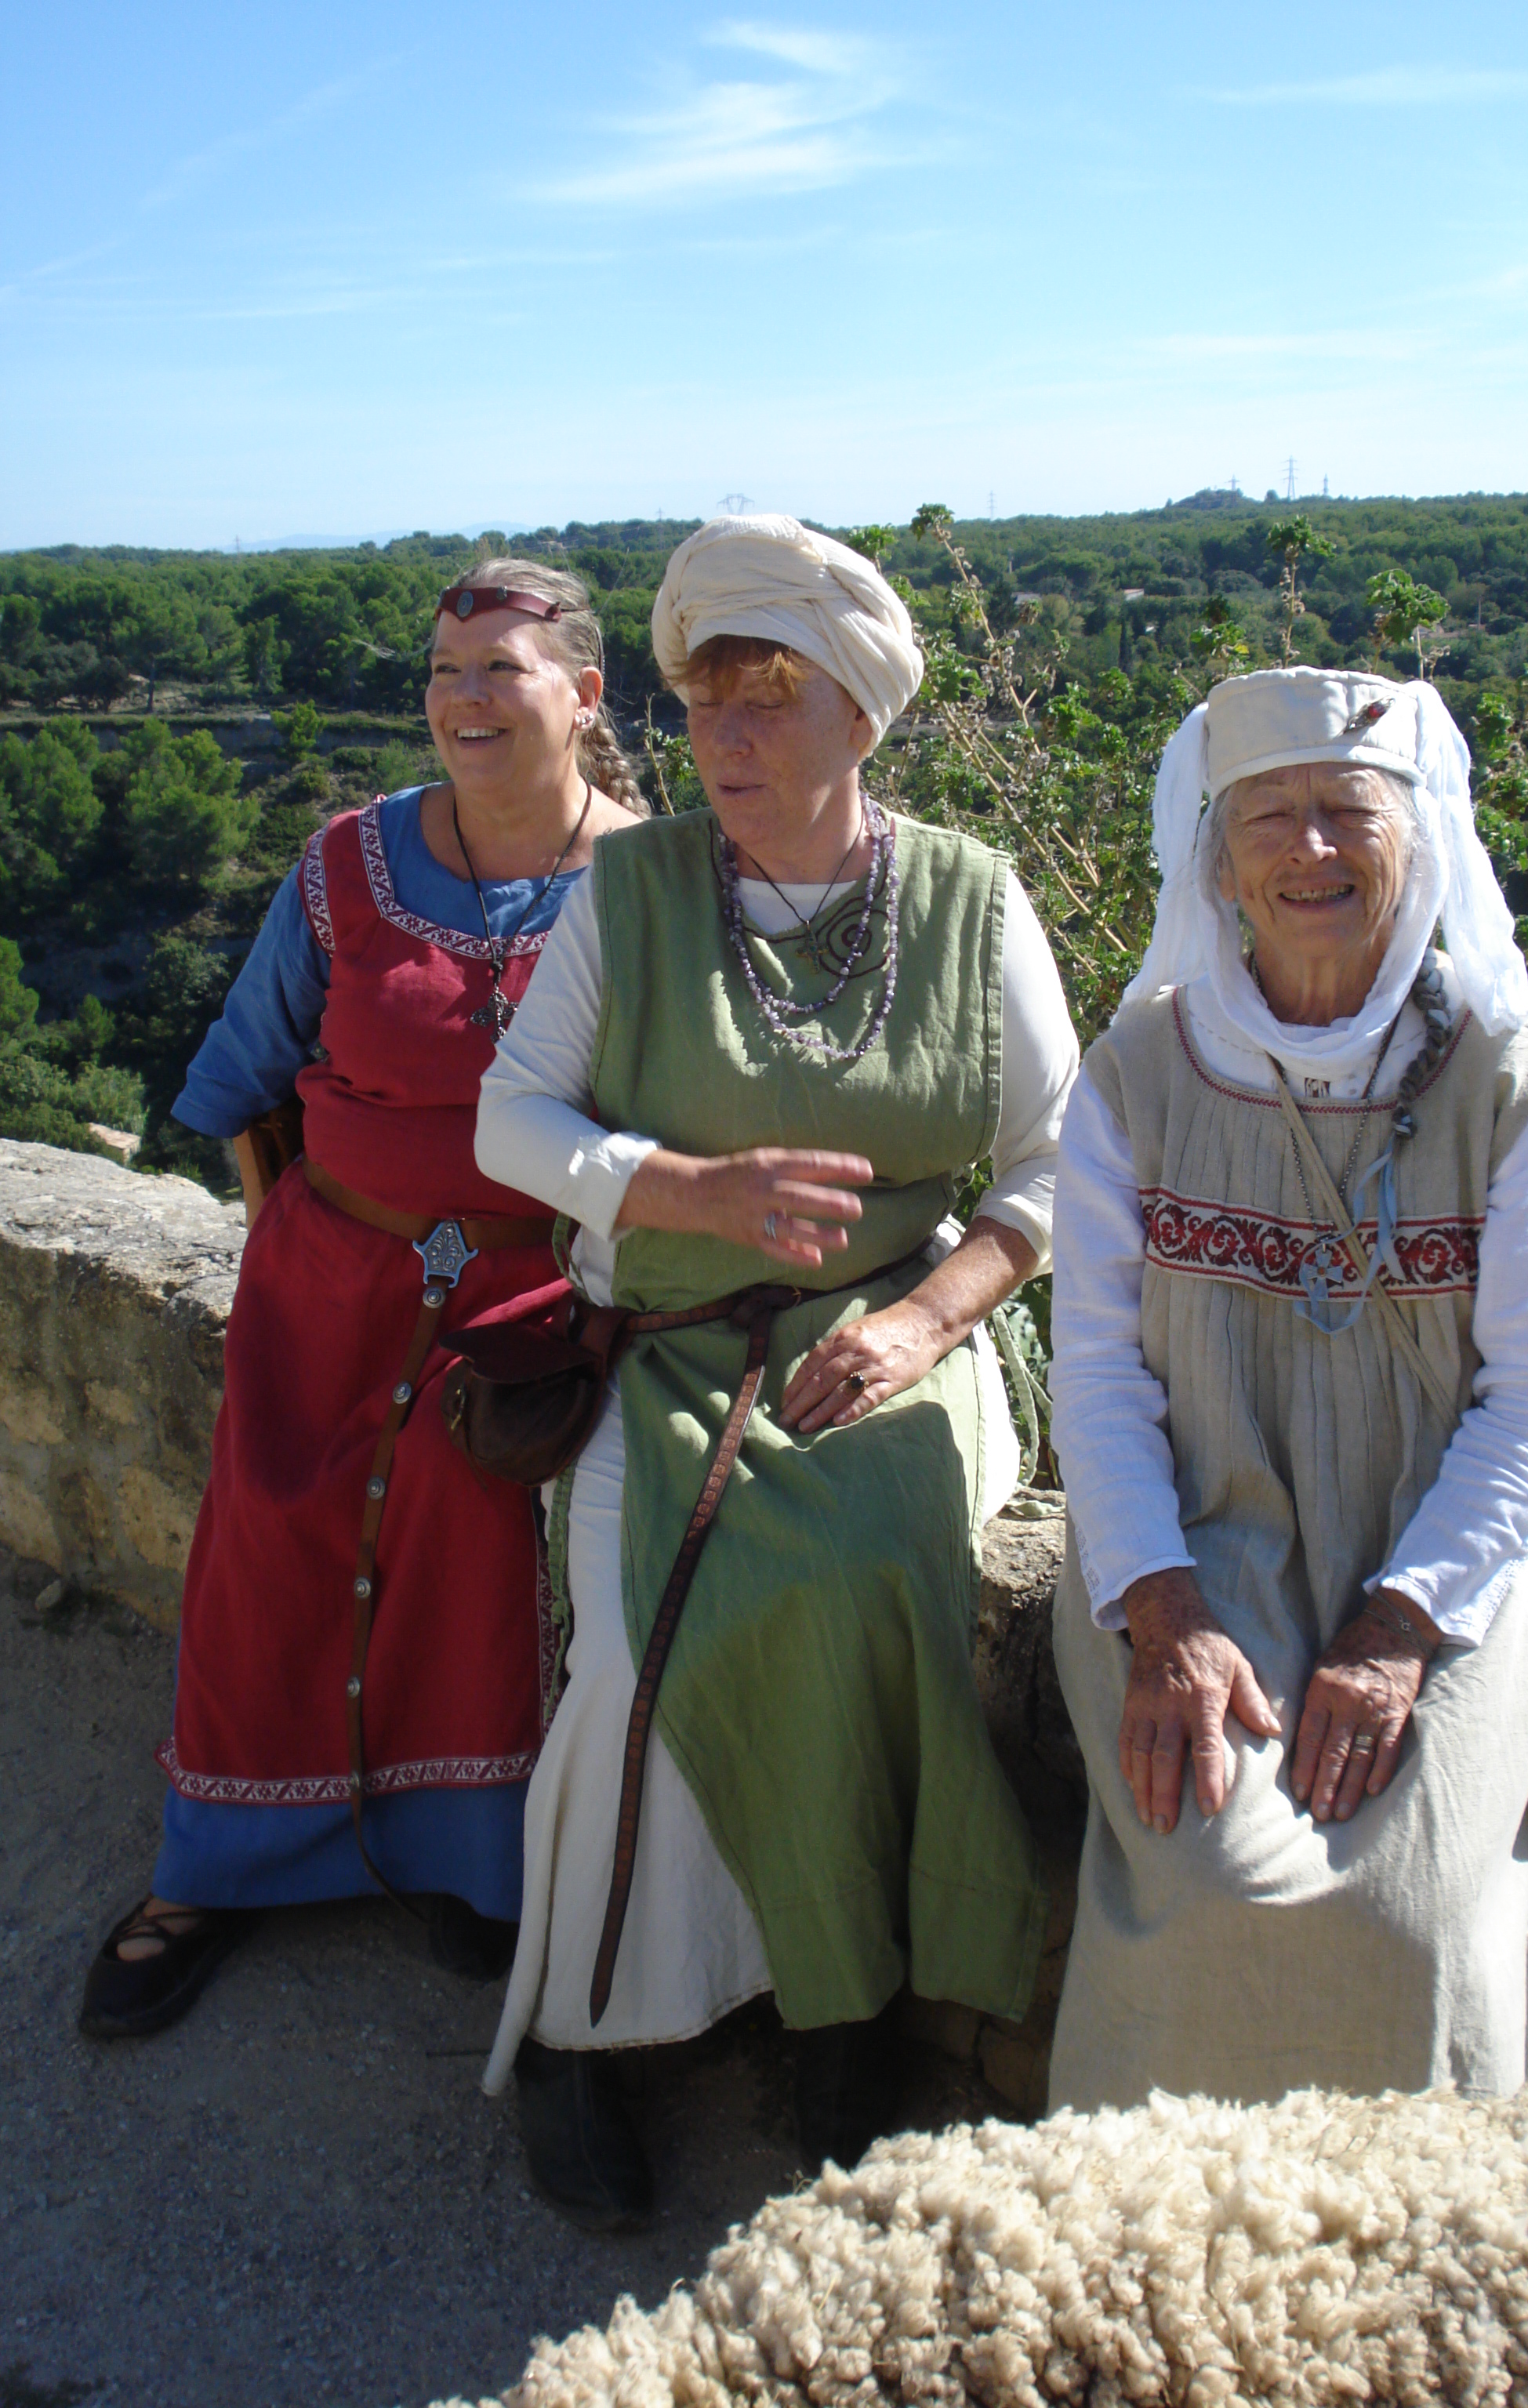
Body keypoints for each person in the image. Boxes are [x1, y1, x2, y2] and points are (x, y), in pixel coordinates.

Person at [470, 513, 1080, 2226]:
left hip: (903, 1329)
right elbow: (513, 1120)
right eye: (703, 704)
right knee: (635, 1644)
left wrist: (928, 1321)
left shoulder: (968, 900)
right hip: (670, 1338)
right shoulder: (633, 893)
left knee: (873, 1572)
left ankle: (845, 2008)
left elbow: (1058, 1168)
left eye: (770, 700)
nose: (725, 740)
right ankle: (589, 2022)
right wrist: (686, 1192)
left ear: (860, 715)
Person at [1046, 665, 1528, 2112]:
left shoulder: (1518, 1073)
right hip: (1203, 1541)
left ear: (1421, 836)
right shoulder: (1137, 1074)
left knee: (1410, 1909)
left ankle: (1425, 2225)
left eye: (1349, 810)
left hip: (1454, 1551)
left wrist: (1400, 1629)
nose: (1311, 849)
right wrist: (1166, 1614)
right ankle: (1153, 2209)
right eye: (1269, 816)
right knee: (1211, 1873)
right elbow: (1099, 1373)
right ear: (1217, 860)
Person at [80, 560, 645, 2040]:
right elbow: (244, 1076)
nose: (464, 699)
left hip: (532, 1313)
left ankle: (473, 1868)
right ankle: (216, 1870)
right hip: (325, 1286)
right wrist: (304, 1264)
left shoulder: (653, 885)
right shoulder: (346, 865)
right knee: (268, 1552)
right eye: (445, 672)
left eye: (501, 669)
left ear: (583, 694)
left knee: (480, 1565)